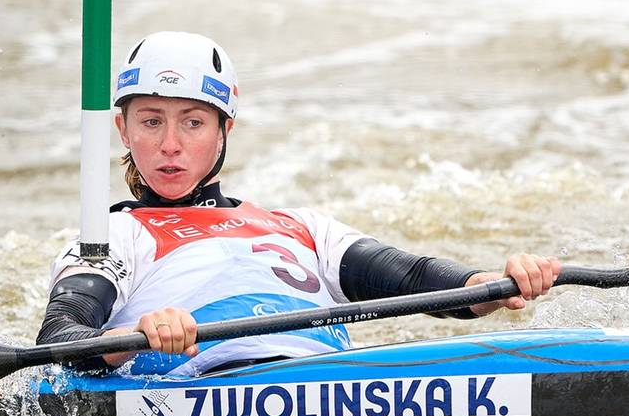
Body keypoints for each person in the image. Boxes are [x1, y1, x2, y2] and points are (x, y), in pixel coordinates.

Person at [37, 31, 561, 376]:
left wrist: (495, 285)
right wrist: (133, 337)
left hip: (335, 387)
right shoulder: (110, 236)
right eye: (151, 121)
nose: (170, 144)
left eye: (192, 122)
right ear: (122, 129)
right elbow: (60, 336)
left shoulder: (300, 226)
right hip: (201, 388)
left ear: (224, 131)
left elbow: (413, 279)